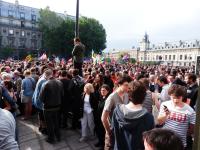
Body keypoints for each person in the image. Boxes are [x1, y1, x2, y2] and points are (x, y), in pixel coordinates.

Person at [112, 81, 154, 150]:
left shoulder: (117, 111)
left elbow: (113, 131)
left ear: (129, 94)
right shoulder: (149, 117)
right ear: (144, 96)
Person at [157, 84, 196, 148]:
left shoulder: (190, 110)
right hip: (165, 140)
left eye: (178, 98)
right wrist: (165, 115)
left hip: (180, 143)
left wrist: (182, 134)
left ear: (182, 96)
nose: (176, 100)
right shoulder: (165, 105)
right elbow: (159, 122)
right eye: (173, 97)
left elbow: (192, 129)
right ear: (170, 95)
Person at [101, 75, 131, 150]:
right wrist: (109, 132)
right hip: (112, 130)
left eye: (128, 85)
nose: (128, 87)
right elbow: (103, 118)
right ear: (119, 85)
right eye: (126, 85)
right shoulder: (111, 97)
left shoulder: (126, 95)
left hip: (121, 130)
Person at [39, 69, 64, 144]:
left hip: (48, 107)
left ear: (46, 76)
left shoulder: (45, 84)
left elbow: (41, 98)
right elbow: (62, 94)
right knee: (56, 122)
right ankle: (58, 136)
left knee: (49, 123)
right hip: (57, 106)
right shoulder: (59, 82)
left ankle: (51, 138)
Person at [95, 84, 111, 149]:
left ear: (108, 91)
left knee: (103, 132)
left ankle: (102, 145)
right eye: (101, 90)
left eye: (104, 90)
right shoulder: (101, 97)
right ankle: (100, 141)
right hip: (99, 117)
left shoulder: (108, 99)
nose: (102, 92)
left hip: (104, 118)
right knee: (98, 131)